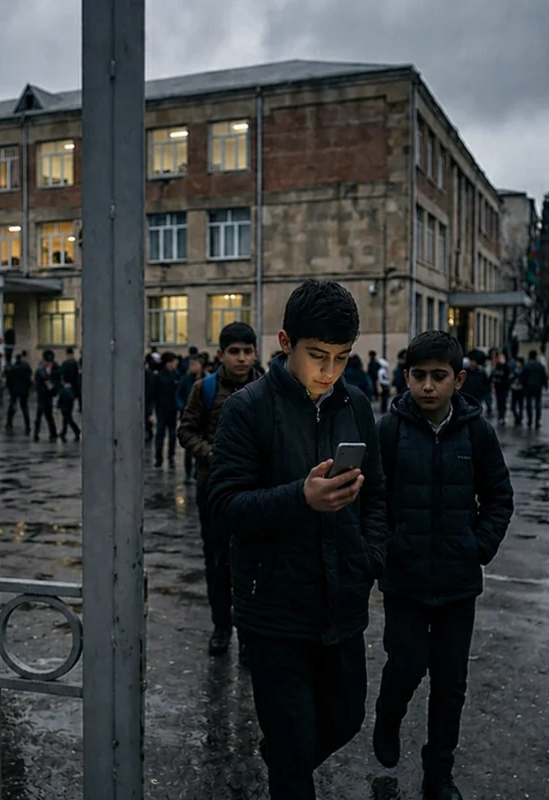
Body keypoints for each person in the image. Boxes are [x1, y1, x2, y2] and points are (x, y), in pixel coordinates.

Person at [208, 280, 388, 799]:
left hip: (342, 606)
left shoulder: (354, 405)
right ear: (286, 342)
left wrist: (369, 557)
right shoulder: (248, 409)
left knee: (347, 719)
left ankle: (286, 757)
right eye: (317, 355)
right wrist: (299, 498)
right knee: (293, 759)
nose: (329, 371)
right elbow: (224, 508)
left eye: (341, 357)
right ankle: (287, 765)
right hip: (275, 613)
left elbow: (377, 494)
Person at [372, 331, 514, 800]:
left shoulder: (476, 432)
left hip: (457, 582)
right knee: (406, 664)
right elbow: (371, 501)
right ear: (405, 377)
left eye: (439, 377)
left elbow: (499, 497)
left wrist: (477, 546)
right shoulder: (388, 431)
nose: (428, 386)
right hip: (405, 580)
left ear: (459, 379)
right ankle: (388, 718)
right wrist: (389, 547)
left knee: (451, 681)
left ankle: (439, 773)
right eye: (418, 376)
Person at [178, 322, 262, 658]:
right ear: (221, 355)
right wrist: (213, 454)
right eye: (234, 352)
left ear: (255, 353)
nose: (241, 359)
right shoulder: (205, 389)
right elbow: (186, 431)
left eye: (247, 352)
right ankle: (221, 627)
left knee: (255, 564)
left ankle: (249, 633)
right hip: (213, 492)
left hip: (257, 493)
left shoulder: (269, 387)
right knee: (217, 562)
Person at [152, 352, 181, 469]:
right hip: (162, 409)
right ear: (168, 363)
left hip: (172, 410)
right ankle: (159, 458)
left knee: (173, 435)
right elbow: (154, 394)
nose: (175, 365)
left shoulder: (176, 375)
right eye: (174, 363)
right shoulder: (159, 376)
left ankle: (171, 457)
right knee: (160, 433)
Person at [33, 350, 60, 442]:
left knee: (48, 416)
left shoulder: (54, 369)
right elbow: (39, 382)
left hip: (47, 397)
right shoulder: (40, 370)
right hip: (42, 396)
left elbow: (55, 384)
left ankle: (53, 433)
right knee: (40, 416)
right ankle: (36, 434)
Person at [5, 352, 33, 434]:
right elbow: (30, 378)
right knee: (25, 408)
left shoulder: (12, 368)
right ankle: (27, 425)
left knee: (12, 406)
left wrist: (10, 389)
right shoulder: (26, 367)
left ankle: (9, 422)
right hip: (24, 390)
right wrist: (28, 388)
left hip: (14, 391)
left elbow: (8, 381)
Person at [521, 350, 549, 428]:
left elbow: (523, 377)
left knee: (529, 404)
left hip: (528, 387)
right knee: (538, 404)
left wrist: (522, 386)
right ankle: (537, 421)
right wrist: (546, 385)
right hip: (538, 387)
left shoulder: (527, 365)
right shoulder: (540, 365)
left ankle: (530, 420)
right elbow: (544, 376)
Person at [490, 352, 511, 425]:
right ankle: (500, 416)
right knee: (499, 402)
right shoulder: (497, 366)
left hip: (504, 388)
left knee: (503, 402)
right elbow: (493, 376)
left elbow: (508, 375)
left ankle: (502, 416)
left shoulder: (506, 366)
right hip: (498, 388)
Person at [61, 347, 81, 413]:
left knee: (67, 406)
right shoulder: (75, 363)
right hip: (74, 385)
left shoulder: (65, 363)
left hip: (67, 385)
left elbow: (62, 373)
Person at [509, 355, 526, 427]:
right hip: (514, 389)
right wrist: (512, 385)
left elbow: (525, 380)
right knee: (513, 406)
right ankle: (517, 417)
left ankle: (520, 417)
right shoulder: (514, 370)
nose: (517, 363)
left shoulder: (524, 370)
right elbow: (510, 378)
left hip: (520, 390)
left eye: (518, 362)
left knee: (520, 405)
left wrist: (521, 386)